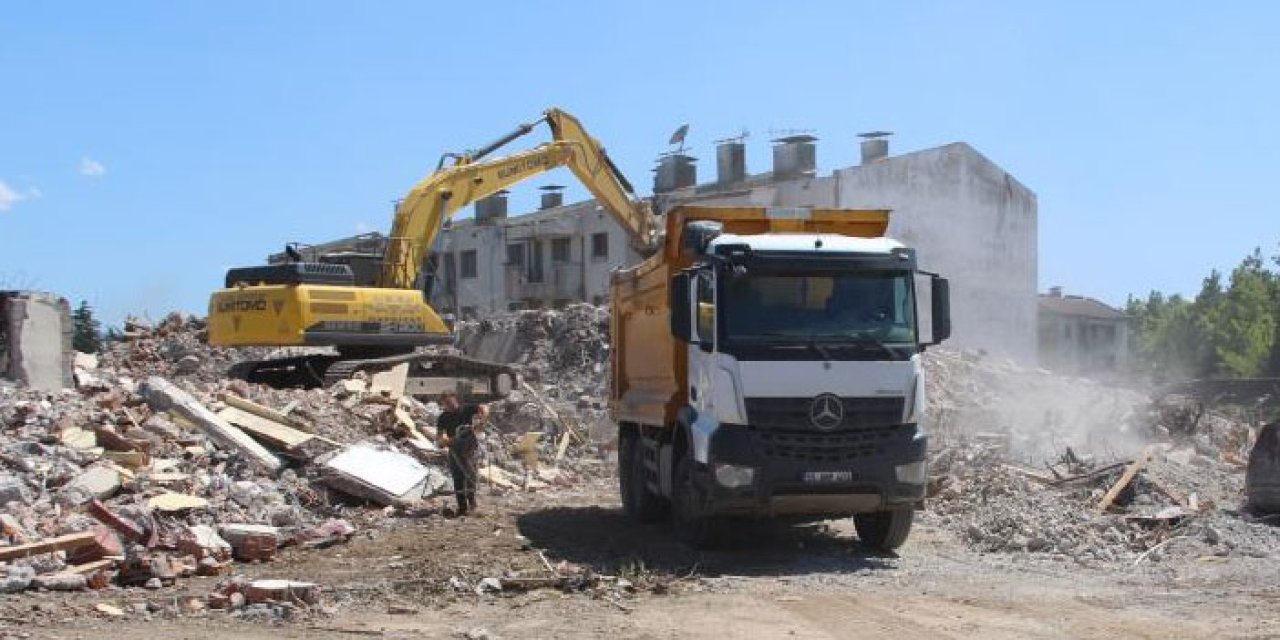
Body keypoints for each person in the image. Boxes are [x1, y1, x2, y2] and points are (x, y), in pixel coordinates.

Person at [436, 391, 490, 516]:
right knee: (457, 478)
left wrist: (483, 419)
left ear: (455, 399)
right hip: (454, 449)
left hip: (469, 447)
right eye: (446, 404)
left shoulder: (466, 409)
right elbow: (439, 435)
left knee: (471, 475)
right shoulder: (443, 417)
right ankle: (462, 507)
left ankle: (472, 503)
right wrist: (443, 440)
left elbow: (484, 407)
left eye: (450, 402)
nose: (449, 405)